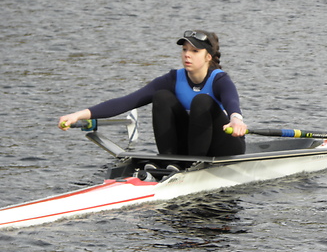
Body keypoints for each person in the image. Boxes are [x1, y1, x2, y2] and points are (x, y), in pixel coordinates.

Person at [58, 30, 247, 158]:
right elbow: (126, 102)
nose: (187, 55)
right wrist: (77, 115)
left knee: (202, 101)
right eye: (184, 50)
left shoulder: (219, 80)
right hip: (191, 144)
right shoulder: (174, 78)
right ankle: (169, 160)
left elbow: (232, 102)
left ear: (208, 57)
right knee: (162, 97)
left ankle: (194, 165)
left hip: (225, 146)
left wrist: (236, 120)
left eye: (194, 51)